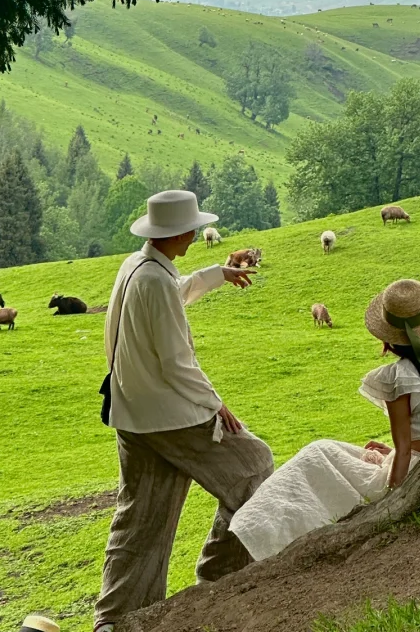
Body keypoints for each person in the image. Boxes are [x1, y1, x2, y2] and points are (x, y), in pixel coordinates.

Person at [92, 189, 274, 631]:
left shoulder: (137, 266)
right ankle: (220, 575)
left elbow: (171, 293)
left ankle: (116, 620)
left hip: (133, 413)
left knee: (141, 518)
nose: (194, 235)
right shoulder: (153, 279)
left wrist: (216, 275)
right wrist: (216, 405)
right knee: (253, 465)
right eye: (190, 229)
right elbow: (176, 361)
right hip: (171, 415)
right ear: (176, 234)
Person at [228, 278, 420, 562]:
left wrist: (392, 502)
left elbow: (405, 450)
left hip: (410, 474)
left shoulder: (398, 379)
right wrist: (388, 454)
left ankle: (261, 534)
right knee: (334, 452)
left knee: (315, 456)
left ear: (388, 338)